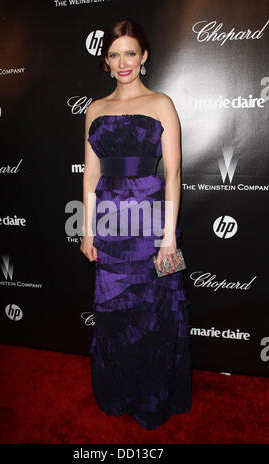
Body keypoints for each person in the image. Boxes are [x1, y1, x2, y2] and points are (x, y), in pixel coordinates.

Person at [80, 18, 192, 431]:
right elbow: (90, 177)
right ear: (105, 61)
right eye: (114, 54)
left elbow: (174, 176)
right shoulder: (95, 109)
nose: (122, 62)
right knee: (113, 314)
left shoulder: (162, 104)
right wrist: (88, 231)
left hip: (152, 227)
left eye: (130, 52)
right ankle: (119, 390)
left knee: (157, 311)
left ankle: (153, 395)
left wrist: (168, 240)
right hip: (109, 227)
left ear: (144, 56)